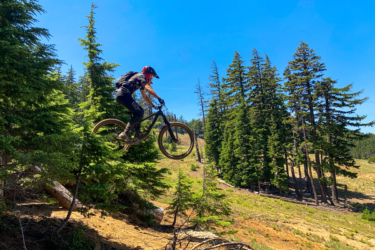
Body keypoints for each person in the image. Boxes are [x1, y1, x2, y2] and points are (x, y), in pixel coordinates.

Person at [115, 66, 164, 142]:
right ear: (148, 74)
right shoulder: (141, 76)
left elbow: (144, 96)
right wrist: (159, 98)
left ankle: (137, 134)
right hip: (124, 94)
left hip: (123, 95)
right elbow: (147, 88)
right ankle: (125, 132)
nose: (151, 79)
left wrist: (153, 105)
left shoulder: (141, 82)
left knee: (140, 111)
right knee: (139, 113)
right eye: (151, 76)